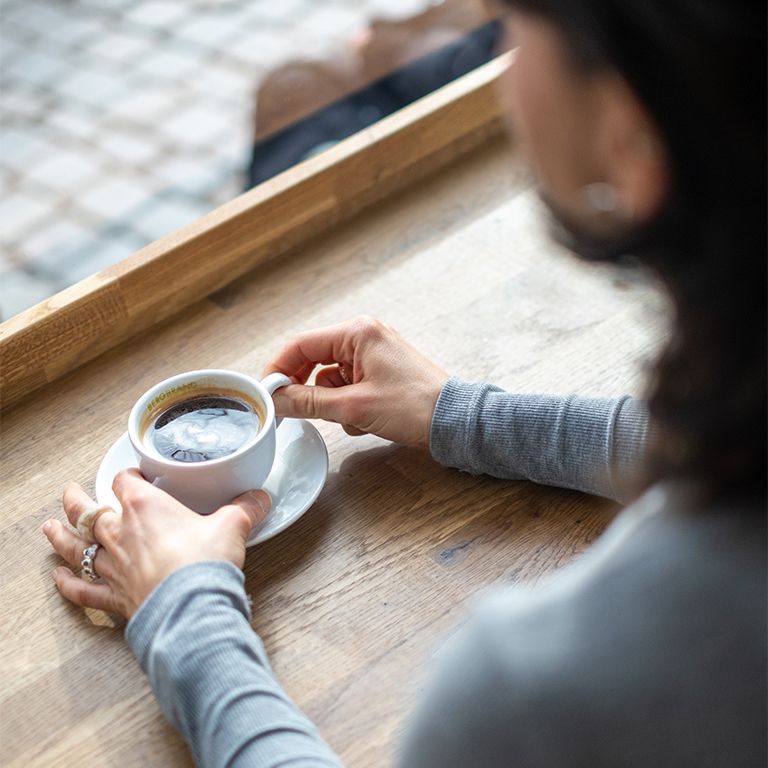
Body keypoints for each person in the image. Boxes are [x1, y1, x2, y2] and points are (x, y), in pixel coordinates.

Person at [43, 1, 765, 766]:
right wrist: (465, 416)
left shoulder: (538, 691)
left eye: (511, 23)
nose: (503, 65)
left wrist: (183, 615)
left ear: (630, 132)